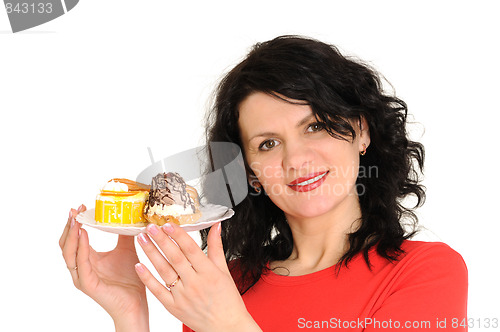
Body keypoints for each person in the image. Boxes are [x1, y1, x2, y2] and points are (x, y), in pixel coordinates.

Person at [60, 35, 468, 331]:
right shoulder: (225, 284)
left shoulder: (427, 272)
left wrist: (230, 325)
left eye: (315, 126)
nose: (295, 160)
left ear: (361, 132)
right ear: (250, 171)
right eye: (268, 143)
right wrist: (129, 313)